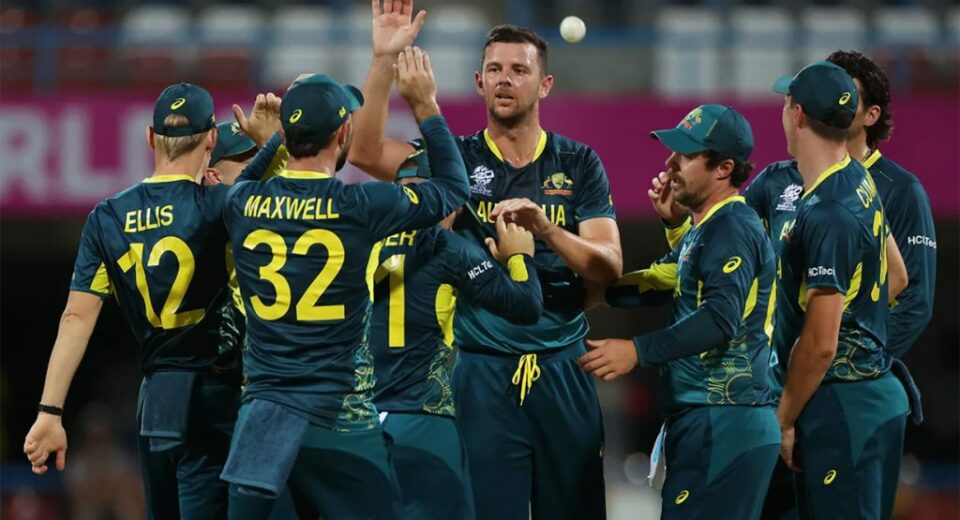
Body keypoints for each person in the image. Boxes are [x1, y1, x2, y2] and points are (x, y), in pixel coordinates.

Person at [349, 3, 621, 517]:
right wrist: (384, 58)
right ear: (478, 82)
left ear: (544, 85)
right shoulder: (452, 159)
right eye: (494, 69)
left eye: (519, 70)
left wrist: (546, 229)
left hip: (562, 364)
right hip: (481, 371)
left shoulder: (578, 161)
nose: (505, 79)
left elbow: (609, 264)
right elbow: (363, 152)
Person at [219, 52, 469, 519]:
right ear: (341, 134)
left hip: (261, 424)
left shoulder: (242, 203)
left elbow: (242, 186)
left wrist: (271, 146)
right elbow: (454, 188)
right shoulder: (360, 206)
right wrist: (426, 106)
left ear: (289, 137)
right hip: (339, 418)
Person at [23, 83, 283, 519]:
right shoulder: (221, 203)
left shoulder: (107, 218)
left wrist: (50, 412)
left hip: (156, 401)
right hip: (215, 395)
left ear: (149, 138)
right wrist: (272, 144)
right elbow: (290, 212)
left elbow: (76, 318)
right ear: (211, 140)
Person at [582, 105, 780, 519]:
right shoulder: (708, 228)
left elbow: (719, 319)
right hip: (711, 419)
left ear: (724, 168)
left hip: (726, 419)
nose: (671, 163)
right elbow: (661, 282)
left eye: (687, 155)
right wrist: (582, 293)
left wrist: (637, 350)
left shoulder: (732, 228)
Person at [371, 155, 544, 519]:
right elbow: (527, 306)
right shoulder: (448, 248)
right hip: (422, 417)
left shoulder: (360, 239)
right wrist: (519, 257)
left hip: (358, 419)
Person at [773, 61, 909, 519]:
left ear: (798, 115)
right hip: (869, 398)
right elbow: (896, 275)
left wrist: (783, 418)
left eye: (785, 104)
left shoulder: (827, 210)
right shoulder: (856, 176)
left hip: (843, 404)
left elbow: (820, 344)